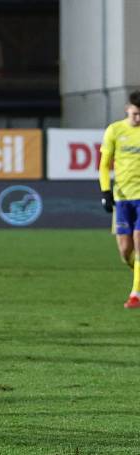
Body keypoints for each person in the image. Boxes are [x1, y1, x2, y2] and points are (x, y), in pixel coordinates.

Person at [99, 90, 140, 309]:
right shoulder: (115, 130)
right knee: (125, 252)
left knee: (139, 240)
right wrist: (106, 191)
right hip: (122, 197)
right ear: (127, 109)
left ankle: (136, 294)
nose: (138, 119)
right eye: (135, 114)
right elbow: (105, 164)